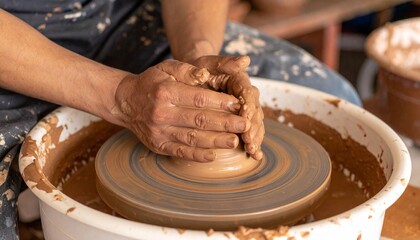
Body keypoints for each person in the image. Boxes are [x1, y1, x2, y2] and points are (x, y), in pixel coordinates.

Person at [0, 0, 361, 238]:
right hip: (12, 45)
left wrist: (198, 67)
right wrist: (120, 96)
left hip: (115, 14)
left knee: (332, 95)